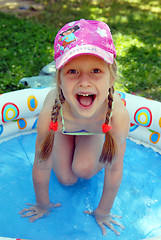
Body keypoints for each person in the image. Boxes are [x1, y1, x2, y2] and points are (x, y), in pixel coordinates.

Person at [20, 19, 130, 236]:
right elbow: (41, 164)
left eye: (96, 70)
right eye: (72, 72)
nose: (84, 82)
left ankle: (85, 145)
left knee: (84, 170)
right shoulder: (51, 111)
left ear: (111, 78)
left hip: (96, 131)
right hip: (62, 128)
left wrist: (103, 211)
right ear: (59, 79)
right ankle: (72, 142)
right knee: (66, 179)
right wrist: (42, 204)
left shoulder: (116, 115)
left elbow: (115, 168)